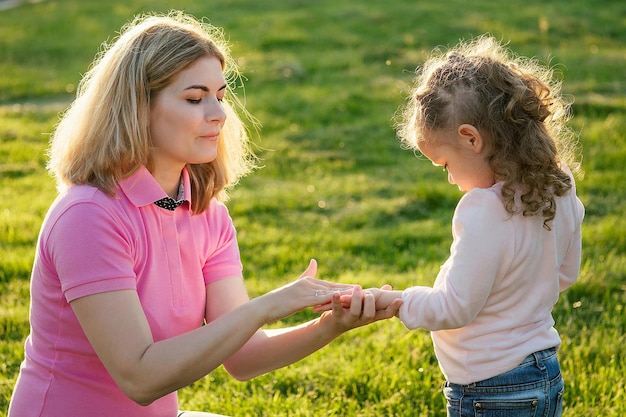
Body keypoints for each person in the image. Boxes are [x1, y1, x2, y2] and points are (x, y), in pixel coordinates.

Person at [8, 11, 402, 417]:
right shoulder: (88, 215)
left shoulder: (207, 214)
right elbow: (139, 377)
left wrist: (332, 324)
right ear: (138, 108)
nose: (218, 113)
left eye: (221, 95)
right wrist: (266, 306)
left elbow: (245, 356)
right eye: (195, 99)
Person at [370, 35, 584, 416]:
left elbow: (454, 307)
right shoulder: (559, 183)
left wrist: (399, 302)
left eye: (445, 165)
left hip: (492, 388)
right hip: (545, 375)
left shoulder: (483, 209)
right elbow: (564, 274)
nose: (449, 180)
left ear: (471, 139)